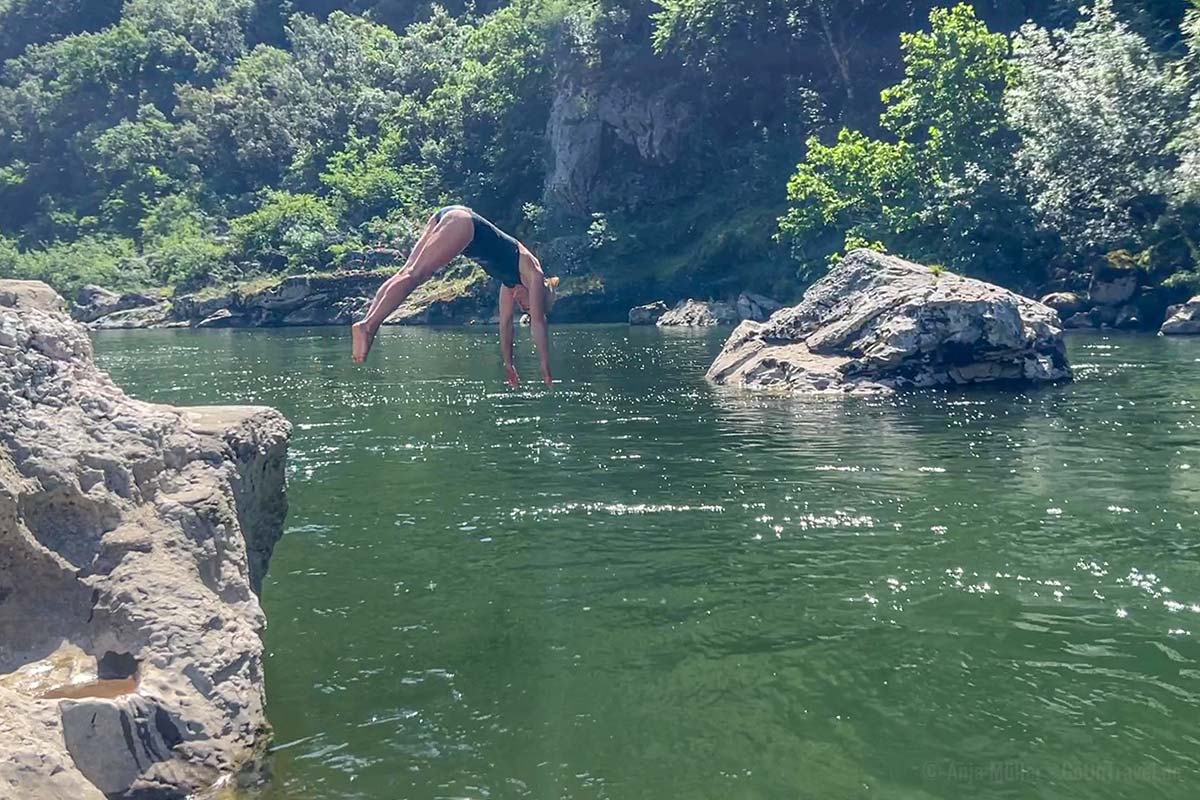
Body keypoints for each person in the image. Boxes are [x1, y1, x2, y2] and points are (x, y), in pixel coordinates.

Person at [351, 205, 558, 387]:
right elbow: (539, 322)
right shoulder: (533, 272)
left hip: (451, 216)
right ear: (536, 295)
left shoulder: (509, 284)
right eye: (529, 305)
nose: (523, 306)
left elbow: (505, 325)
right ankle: (369, 326)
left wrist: (509, 364)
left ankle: (367, 322)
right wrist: (545, 365)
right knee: (416, 274)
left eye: (525, 309)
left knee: (406, 272)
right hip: (464, 225)